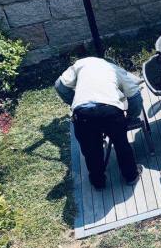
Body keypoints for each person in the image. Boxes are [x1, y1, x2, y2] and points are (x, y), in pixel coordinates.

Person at [55, 57, 144, 190]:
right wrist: (131, 116)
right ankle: (131, 176)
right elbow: (135, 96)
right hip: (110, 112)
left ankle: (98, 183)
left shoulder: (82, 63)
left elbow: (59, 86)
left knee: (91, 150)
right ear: (113, 63)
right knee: (121, 144)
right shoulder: (115, 69)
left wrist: (74, 101)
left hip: (83, 114)